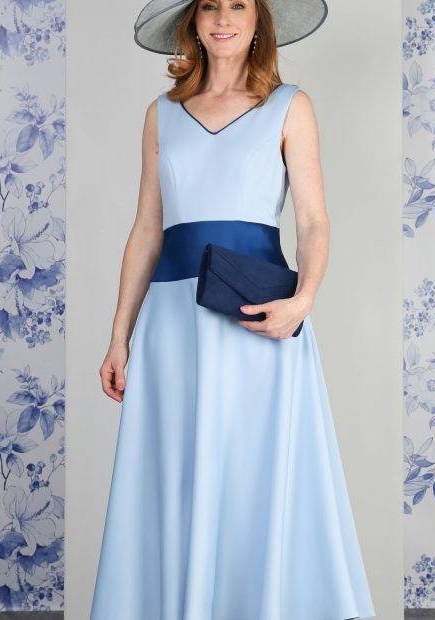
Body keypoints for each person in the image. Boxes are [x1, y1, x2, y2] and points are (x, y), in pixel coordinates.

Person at [90, 0, 376, 618]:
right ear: (193, 22)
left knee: (252, 475)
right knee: (178, 473)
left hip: (256, 317)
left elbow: (313, 220)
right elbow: (147, 230)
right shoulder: (161, 114)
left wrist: (303, 301)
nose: (223, 18)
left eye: (238, 4)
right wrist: (119, 337)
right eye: (210, 6)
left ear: (257, 20)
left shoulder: (289, 105)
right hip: (173, 325)